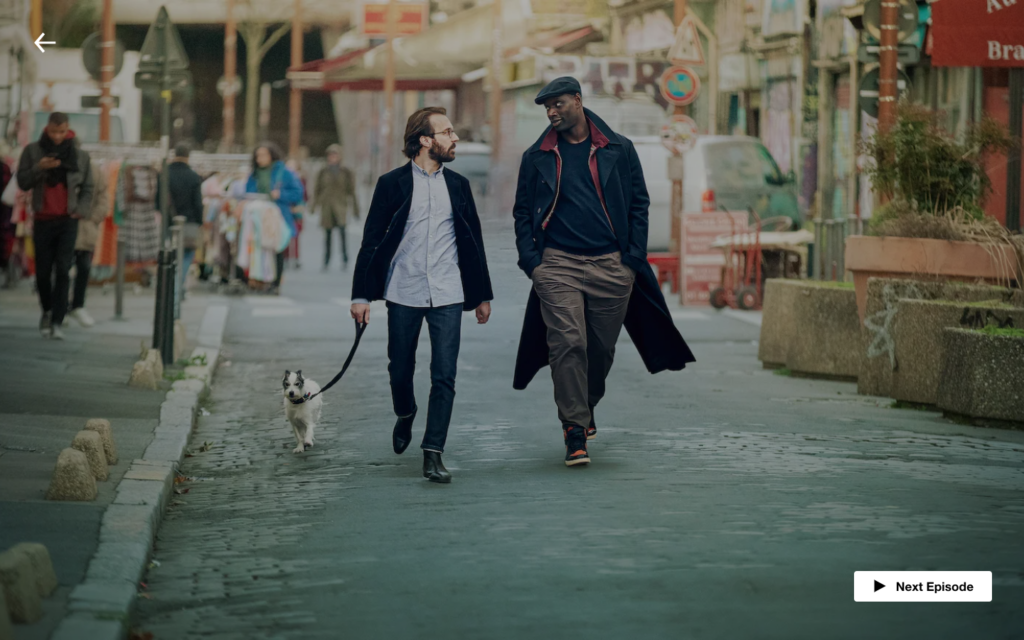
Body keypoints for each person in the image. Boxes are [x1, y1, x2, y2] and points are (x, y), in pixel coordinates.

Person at [511, 77, 696, 467]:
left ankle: (586, 403)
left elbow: (638, 204)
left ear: (578, 101)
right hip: (557, 263)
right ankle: (574, 430)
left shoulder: (619, 149)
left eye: (558, 104)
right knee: (568, 342)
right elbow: (523, 212)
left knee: (599, 349)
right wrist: (533, 264)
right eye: (547, 108)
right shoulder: (537, 156)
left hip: (611, 265)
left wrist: (631, 260)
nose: (552, 112)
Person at [350, 107, 493, 484]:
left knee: (444, 375)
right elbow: (372, 242)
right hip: (404, 289)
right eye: (447, 132)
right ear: (425, 140)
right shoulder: (391, 184)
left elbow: (473, 242)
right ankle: (406, 410)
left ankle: (433, 452)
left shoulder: (459, 186)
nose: (455, 138)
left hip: (448, 291)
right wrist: (360, 295)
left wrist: (481, 295)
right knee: (400, 367)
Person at [17, 112, 94, 340]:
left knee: (63, 269)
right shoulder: (33, 151)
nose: (58, 137)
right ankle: (47, 311)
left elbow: (88, 187)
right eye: (53, 132)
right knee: (42, 272)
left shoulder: (79, 156)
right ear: (47, 129)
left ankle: (58, 320)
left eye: (61, 132)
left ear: (68, 129)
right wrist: (39, 167)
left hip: (67, 220)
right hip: (42, 219)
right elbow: (22, 181)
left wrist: (79, 210)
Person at [246, 142, 303, 293]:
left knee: (277, 250)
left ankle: (275, 283)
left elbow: (298, 193)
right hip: (258, 217)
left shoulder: (283, 172)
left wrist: (281, 195)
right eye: (258, 155)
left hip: (278, 217)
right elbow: (247, 193)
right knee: (259, 249)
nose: (260, 158)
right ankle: (261, 281)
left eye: (263, 155)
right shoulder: (254, 174)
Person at [156, 144, 204, 297]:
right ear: (188, 156)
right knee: (188, 253)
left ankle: (173, 285)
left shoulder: (164, 174)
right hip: (189, 220)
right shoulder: (194, 176)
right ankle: (178, 285)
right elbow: (198, 203)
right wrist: (199, 221)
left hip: (168, 221)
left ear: (174, 154)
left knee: (171, 253)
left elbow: (158, 201)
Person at [68, 165, 109, 327]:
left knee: (83, 267)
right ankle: (60, 307)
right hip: (66, 226)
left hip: (86, 228)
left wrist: (93, 219)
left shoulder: (95, 172)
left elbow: (103, 200)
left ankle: (78, 305)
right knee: (62, 269)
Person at [313, 144, 359, 271]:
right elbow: (317, 189)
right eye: (330, 155)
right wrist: (313, 206)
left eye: (335, 155)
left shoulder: (346, 172)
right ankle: (326, 260)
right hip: (327, 207)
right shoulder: (323, 171)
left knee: (342, 233)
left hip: (341, 207)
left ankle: (345, 258)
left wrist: (356, 210)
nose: (333, 157)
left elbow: (352, 191)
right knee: (327, 235)